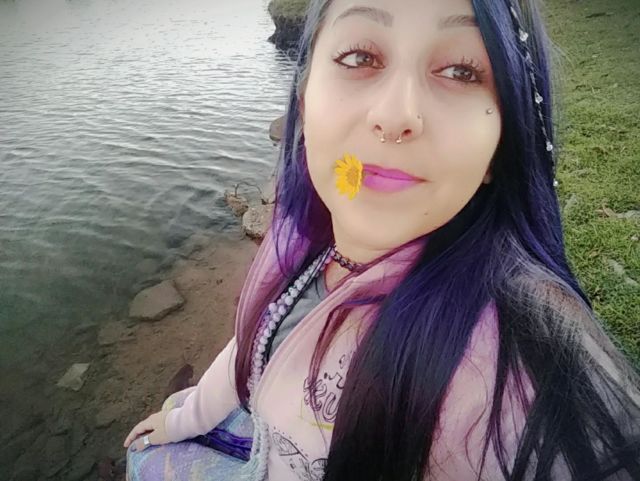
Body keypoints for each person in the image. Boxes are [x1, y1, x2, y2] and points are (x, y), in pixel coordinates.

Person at [123, 0, 640, 479]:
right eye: (359, 57)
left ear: (502, 142)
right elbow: (254, 340)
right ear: (303, 102)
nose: (395, 116)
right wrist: (185, 419)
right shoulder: (305, 246)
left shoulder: (504, 366)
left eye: (461, 71)